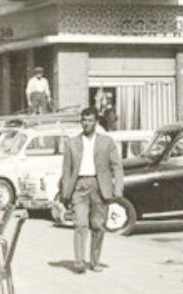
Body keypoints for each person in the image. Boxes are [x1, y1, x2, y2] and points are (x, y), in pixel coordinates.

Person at [59, 107, 123, 274]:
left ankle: (95, 261)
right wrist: (65, 193)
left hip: (99, 186)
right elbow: (66, 170)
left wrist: (118, 189)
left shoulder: (107, 142)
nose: (86, 123)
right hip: (79, 187)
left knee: (97, 225)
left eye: (89, 120)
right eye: (84, 120)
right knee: (80, 224)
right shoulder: (71, 143)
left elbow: (117, 166)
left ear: (96, 122)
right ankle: (79, 262)